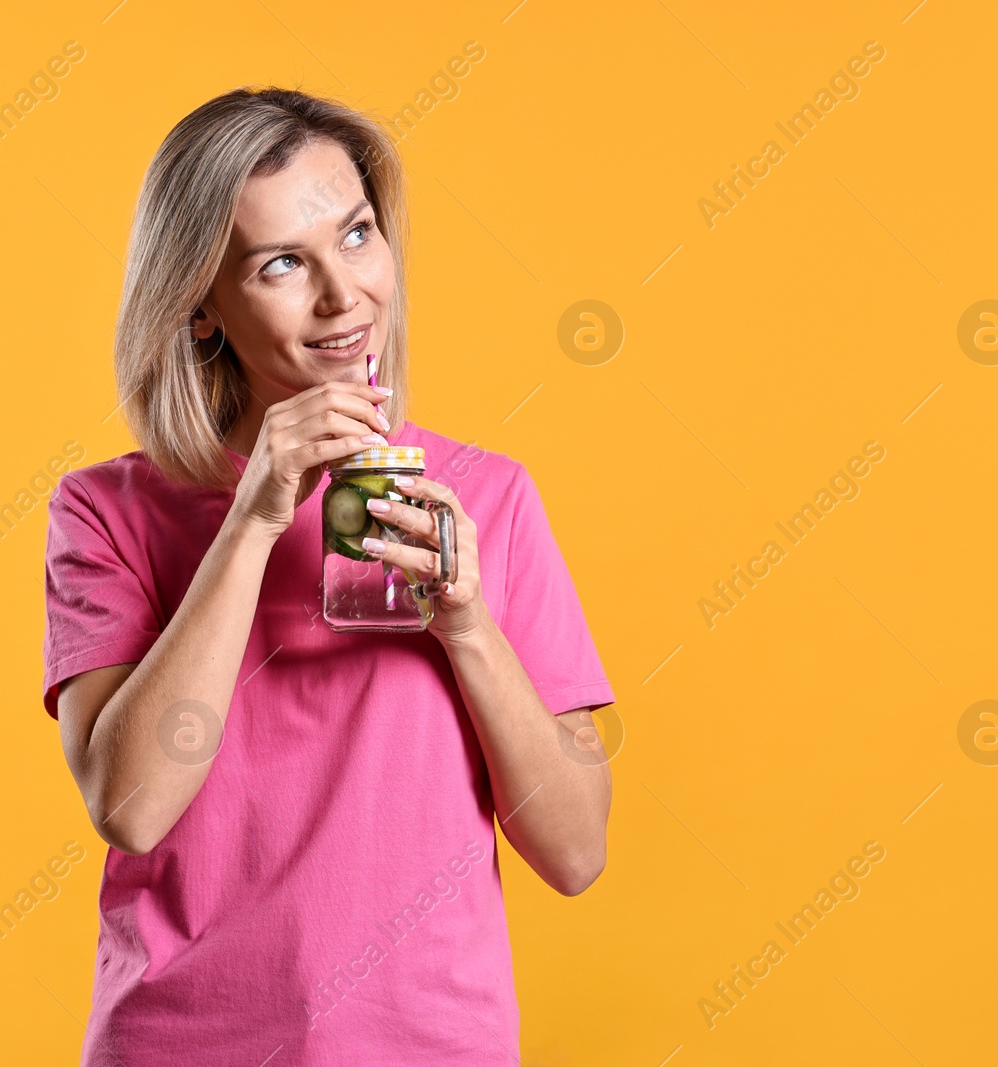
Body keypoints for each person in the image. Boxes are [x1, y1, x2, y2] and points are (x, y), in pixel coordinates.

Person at [41, 85, 616, 1066]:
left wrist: (467, 623)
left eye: (355, 235)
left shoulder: (488, 495)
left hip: (433, 1044)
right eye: (280, 264)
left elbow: (574, 852)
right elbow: (130, 802)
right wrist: (257, 513)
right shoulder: (109, 510)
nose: (343, 295)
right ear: (201, 309)